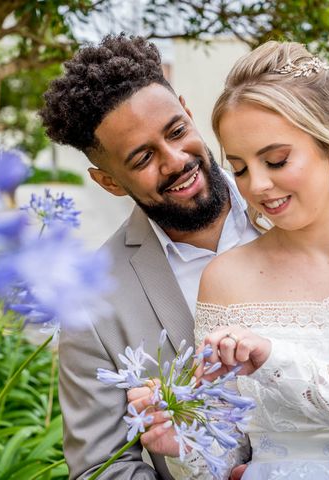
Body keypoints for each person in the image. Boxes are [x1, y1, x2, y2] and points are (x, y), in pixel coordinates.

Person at [129, 40, 329, 479]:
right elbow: (227, 457)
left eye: (276, 160)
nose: (257, 186)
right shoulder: (225, 280)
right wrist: (184, 444)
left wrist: (277, 361)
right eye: (239, 168)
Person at [39, 34, 260, 479]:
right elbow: (102, 469)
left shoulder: (293, 206)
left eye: (177, 131)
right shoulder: (91, 305)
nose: (176, 160)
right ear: (109, 182)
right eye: (142, 158)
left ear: (188, 111)